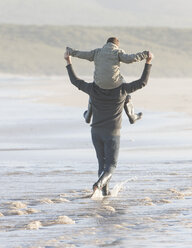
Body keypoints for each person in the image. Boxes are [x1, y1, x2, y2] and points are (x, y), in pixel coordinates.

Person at [64, 50, 153, 196]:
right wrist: (148, 62)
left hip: (96, 132)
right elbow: (142, 82)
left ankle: (105, 194)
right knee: (111, 165)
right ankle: (98, 185)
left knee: (102, 164)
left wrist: (68, 62)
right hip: (112, 133)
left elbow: (76, 82)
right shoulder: (123, 90)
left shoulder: (93, 89)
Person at [66, 37, 149, 124]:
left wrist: (71, 52)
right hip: (115, 84)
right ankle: (131, 116)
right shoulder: (118, 52)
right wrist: (145, 54)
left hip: (99, 84)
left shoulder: (97, 52)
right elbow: (131, 58)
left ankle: (88, 115)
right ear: (117, 45)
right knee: (125, 89)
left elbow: (82, 54)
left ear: (106, 44)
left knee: (92, 90)